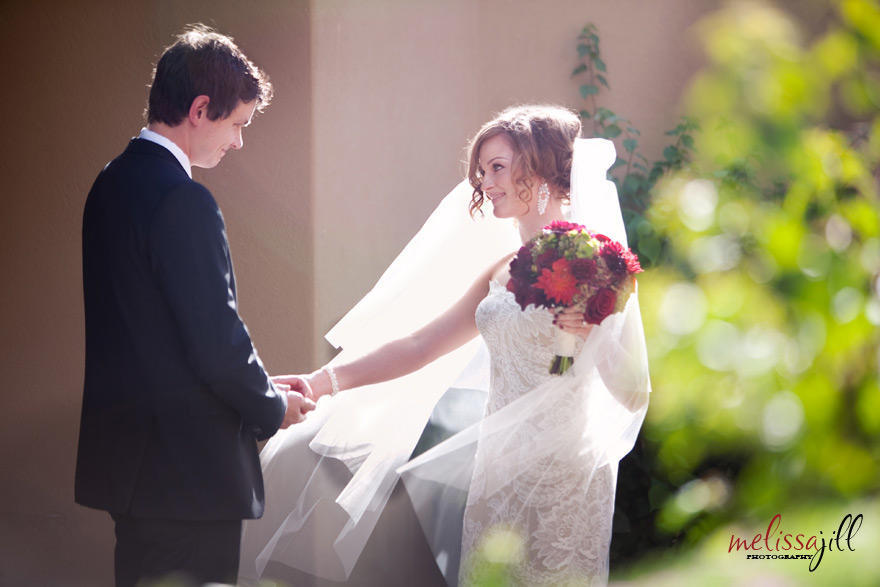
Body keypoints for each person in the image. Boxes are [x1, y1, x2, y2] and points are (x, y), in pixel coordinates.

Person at [242, 105, 650, 586]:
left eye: (497, 167)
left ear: (539, 169)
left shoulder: (595, 261)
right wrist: (321, 381)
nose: (484, 182)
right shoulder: (502, 269)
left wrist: (592, 336)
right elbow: (419, 345)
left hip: (561, 474)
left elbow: (633, 391)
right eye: (482, 170)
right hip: (496, 471)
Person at [75, 25, 315, 587]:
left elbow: (154, 332)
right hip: (186, 475)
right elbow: (214, 338)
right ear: (201, 108)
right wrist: (272, 406)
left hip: (132, 469)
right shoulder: (183, 199)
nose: (237, 142)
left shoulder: (111, 182)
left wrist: (259, 385)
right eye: (237, 124)